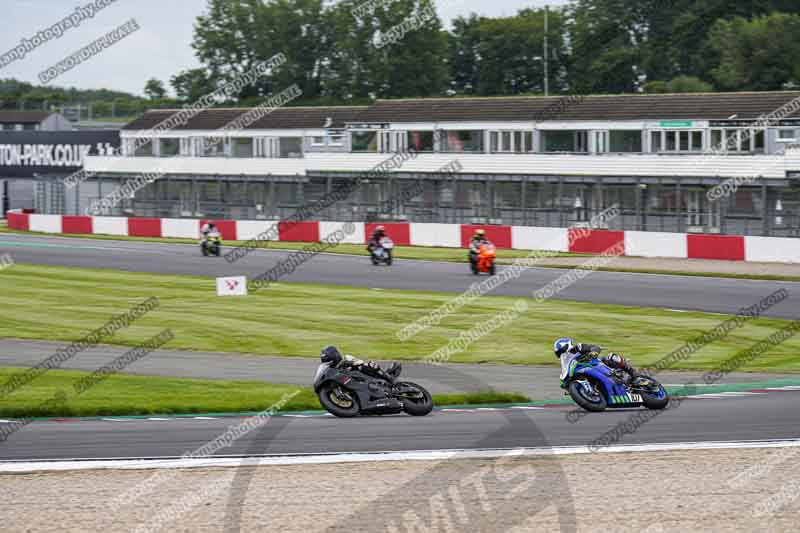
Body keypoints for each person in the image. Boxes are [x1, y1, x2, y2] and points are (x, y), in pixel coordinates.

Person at [553, 337, 639, 388]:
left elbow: (595, 347)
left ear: (567, 346)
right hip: (585, 371)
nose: (561, 353)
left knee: (612, 357)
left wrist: (594, 352)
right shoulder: (566, 364)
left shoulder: (578, 347)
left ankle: (633, 374)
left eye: (561, 350)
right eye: (558, 353)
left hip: (597, 364)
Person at [319, 345, 401, 382]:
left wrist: (350, 363)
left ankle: (389, 377)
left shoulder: (346, 358)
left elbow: (359, 362)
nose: (328, 362)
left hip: (364, 377)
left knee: (370, 365)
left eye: (328, 360)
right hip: (354, 384)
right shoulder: (331, 370)